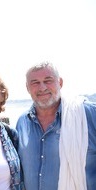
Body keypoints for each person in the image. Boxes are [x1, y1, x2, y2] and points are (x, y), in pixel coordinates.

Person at [16, 61, 96, 190]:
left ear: (60, 83)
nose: (42, 88)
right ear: (27, 88)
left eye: (48, 80)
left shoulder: (88, 115)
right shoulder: (22, 123)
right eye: (35, 82)